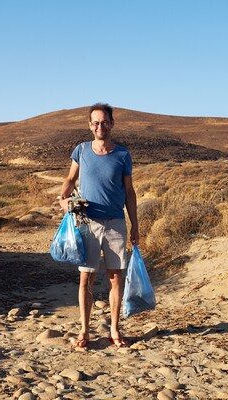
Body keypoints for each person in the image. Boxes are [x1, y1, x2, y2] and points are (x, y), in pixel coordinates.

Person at [59, 103, 139, 350]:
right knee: (86, 279)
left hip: (115, 223)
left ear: (112, 124)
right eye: (95, 122)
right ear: (89, 125)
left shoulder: (123, 155)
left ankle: (114, 330)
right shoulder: (81, 150)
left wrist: (134, 224)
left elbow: (129, 192)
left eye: (104, 122)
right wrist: (64, 200)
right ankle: (84, 331)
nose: (100, 126)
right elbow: (70, 179)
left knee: (116, 278)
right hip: (88, 224)